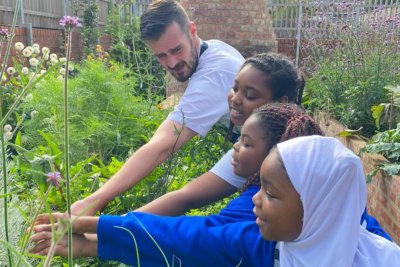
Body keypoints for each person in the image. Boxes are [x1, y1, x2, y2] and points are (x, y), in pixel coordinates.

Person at [30, 103, 323, 266]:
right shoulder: (266, 198)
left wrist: (94, 228)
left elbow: (199, 241)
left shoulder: (265, 220)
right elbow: (199, 236)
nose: (234, 147)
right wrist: (98, 238)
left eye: (245, 143)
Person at [71, 0, 245, 216]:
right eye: (161, 56)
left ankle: (108, 230)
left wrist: (93, 201)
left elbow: (161, 147)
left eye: (177, 50)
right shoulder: (213, 48)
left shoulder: (215, 73)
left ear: (192, 30)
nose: (172, 63)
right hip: (251, 148)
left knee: (191, 207)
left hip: (270, 154)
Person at [135, 52, 304, 215]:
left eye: (250, 95)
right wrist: (120, 224)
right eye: (235, 88)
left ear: (282, 103)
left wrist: (117, 226)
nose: (235, 99)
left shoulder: (279, 159)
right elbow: (187, 197)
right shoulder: (255, 144)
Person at [253, 135, 400, 266]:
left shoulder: (388, 260)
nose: (255, 198)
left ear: (318, 210)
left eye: (270, 193)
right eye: (260, 187)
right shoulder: (271, 248)